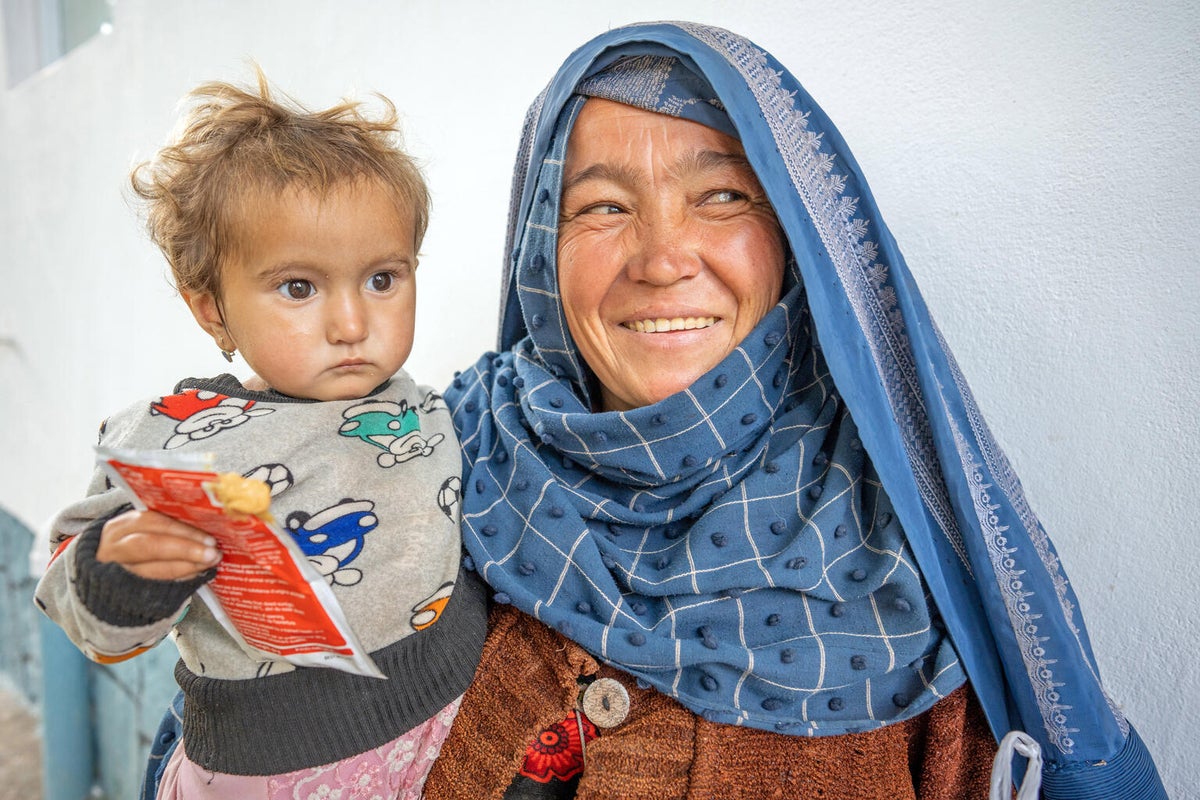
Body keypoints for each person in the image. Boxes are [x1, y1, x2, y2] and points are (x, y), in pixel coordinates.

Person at [142, 22, 1168, 800]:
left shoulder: (901, 566)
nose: (662, 256)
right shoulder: (426, 461)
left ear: (798, 242)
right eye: (601, 205)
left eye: (721, 195)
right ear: (544, 246)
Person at [34, 72, 485, 799]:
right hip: (274, 771)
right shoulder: (178, 440)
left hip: (451, 739)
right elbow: (80, 605)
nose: (352, 324)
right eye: (299, 288)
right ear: (211, 309)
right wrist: (120, 567)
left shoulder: (420, 405)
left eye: (382, 279)